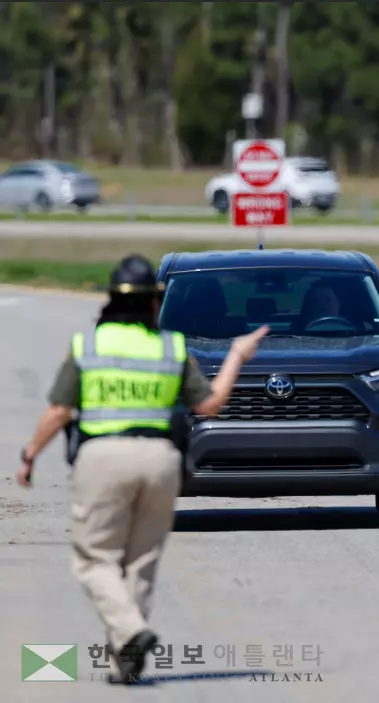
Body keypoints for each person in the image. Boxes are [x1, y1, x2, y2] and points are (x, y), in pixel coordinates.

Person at [15, 254, 268, 684]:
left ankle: (131, 631)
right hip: (160, 461)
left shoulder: (88, 346)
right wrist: (237, 356)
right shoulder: (170, 346)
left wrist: (30, 455)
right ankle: (125, 661)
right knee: (141, 561)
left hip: (103, 458)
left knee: (95, 559)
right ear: (154, 303)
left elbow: (59, 411)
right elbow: (209, 405)